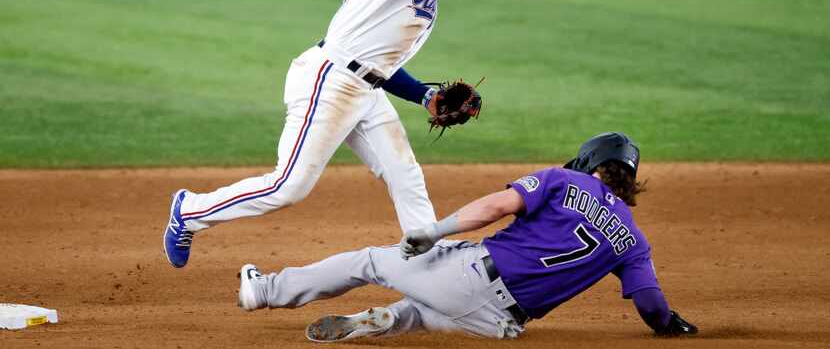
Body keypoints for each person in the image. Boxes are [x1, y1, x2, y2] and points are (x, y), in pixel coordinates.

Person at [163, 0, 504, 268]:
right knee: (288, 186)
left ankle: (429, 266)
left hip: (363, 86)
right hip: (331, 81)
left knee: (405, 174)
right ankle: (190, 210)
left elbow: (376, 60)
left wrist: (423, 95)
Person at [235, 132, 699, 342]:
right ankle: (380, 320)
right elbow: (651, 304)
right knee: (417, 315)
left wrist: (434, 231)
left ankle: (264, 290)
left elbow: (494, 208)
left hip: (472, 278)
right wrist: (669, 325)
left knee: (370, 262)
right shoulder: (634, 241)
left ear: (591, 161)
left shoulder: (564, 180)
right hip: (501, 325)